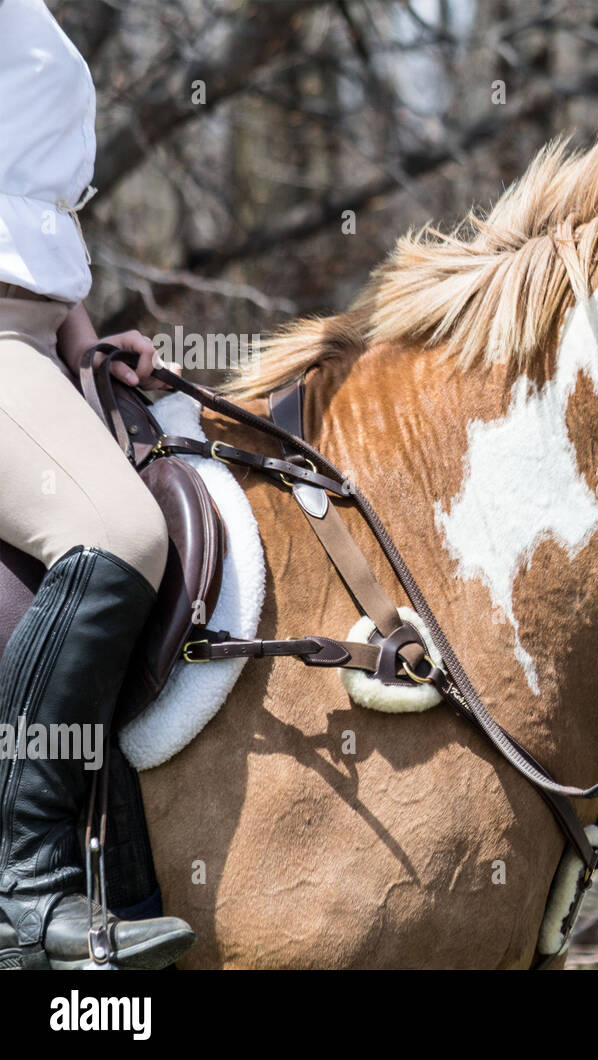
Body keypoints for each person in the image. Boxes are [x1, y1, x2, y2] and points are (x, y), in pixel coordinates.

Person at [0, 0, 195, 969]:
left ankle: (127, 878)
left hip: (35, 342)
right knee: (119, 535)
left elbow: (31, 206)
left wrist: (85, 340)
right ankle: (26, 892)